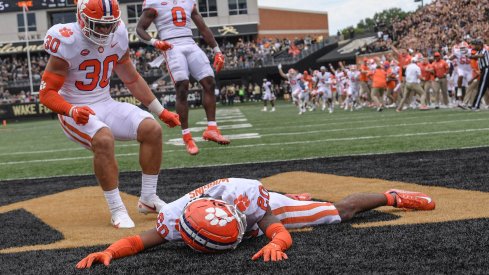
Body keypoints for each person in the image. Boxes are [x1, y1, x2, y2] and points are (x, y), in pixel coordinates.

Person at [76, 177, 435, 268]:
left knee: (336, 213)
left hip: (257, 206)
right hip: (239, 211)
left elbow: (274, 227)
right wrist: (109, 251)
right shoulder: (173, 217)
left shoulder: (245, 197)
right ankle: (293, 196)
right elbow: (139, 241)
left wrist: (276, 242)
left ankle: (391, 196)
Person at [39, 0, 181, 229]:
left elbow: (131, 78)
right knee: (103, 138)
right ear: (82, 19)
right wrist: (71, 110)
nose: (105, 31)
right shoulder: (67, 39)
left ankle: (148, 198)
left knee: (151, 128)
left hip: (104, 101)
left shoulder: (119, 33)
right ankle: (117, 209)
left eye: (109, 25)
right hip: (73, 108)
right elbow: (46, 94)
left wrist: (160, 110)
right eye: (98, 25)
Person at [136, 0, 229, 156]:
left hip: (190, 43)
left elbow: (203, 27)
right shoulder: (155, 2)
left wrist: (217, 50)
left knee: (210, 82)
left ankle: (212, 129)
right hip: (171, 45)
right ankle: (187, 136)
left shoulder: (189, 1)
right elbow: (140, 28)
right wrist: (155, 42)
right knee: (182, 87)